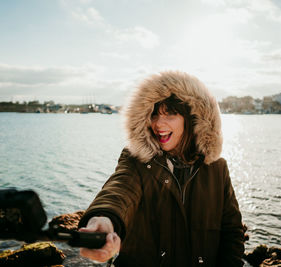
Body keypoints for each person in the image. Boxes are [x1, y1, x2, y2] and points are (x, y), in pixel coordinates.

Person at [78, 71, 245, 267]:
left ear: (191, 119)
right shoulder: (137, 161)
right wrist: (105, 219)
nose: (158, 124)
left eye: (171, 114)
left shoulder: (217, 169)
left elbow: (232, 232)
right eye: (154, 114)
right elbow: (119, 190)